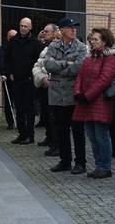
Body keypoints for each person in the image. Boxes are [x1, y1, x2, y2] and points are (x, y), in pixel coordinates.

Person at [73, 27, 115, 179]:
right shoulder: (89, 57)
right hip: (85, 102)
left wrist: (88, 95)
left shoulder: (110, 57)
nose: (92, 42)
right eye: (91, 39)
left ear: (105, 41)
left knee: (101, 135)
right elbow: (80, 76)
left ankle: (105, 167)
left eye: (96, 39)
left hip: (99, 101)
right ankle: (98, 165)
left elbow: (105, 80)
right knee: (92, 136)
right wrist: (78, 93)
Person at [44, 18, 88, 174]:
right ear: (61, 30)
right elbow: (47, 64)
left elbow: (78, 67)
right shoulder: (53, 46)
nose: (74, 30)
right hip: (56, 95)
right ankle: (65, 161)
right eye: (70, 27)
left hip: (72, 95)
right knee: (61, 130)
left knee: (77, 131)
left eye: (75, 27)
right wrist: (65, 63)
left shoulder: (82, 47)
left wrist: (59, 66)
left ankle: (81, 162)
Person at [5, 18, 42, 144]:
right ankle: (22, 134)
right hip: (16, 80)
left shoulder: (35, 43)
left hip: (29, 80)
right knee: (18, 108)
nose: (23, 28)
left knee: (29, 109)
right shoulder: (13, 41)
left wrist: (33, 75)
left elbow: (39, 61)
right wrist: (9, 73)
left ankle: (30, 136)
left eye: (26, 26)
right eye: (21, 26)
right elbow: (7, 58)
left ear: (30, 27)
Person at [32, 23, 59, 154]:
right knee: (47, 114)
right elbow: (39, 65)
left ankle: (56, 143)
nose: (44, 33)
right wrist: (41, 77)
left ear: (55, 33)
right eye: (43, 31)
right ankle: (49, 138)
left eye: (47, 31)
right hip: (44, 85)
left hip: (54, 86)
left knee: (54, 116)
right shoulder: (44, 47)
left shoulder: (59, 47)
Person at [3, 29, 17, 130]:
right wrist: (7, 74)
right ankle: (10, 122)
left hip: (19, 78)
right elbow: (3, 63)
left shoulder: (20, 47)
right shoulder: (4, 48)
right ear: (8, 38)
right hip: (8, 78)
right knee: (8, 102)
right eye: (11, 37)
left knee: (20, 101)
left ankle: (21, 120)